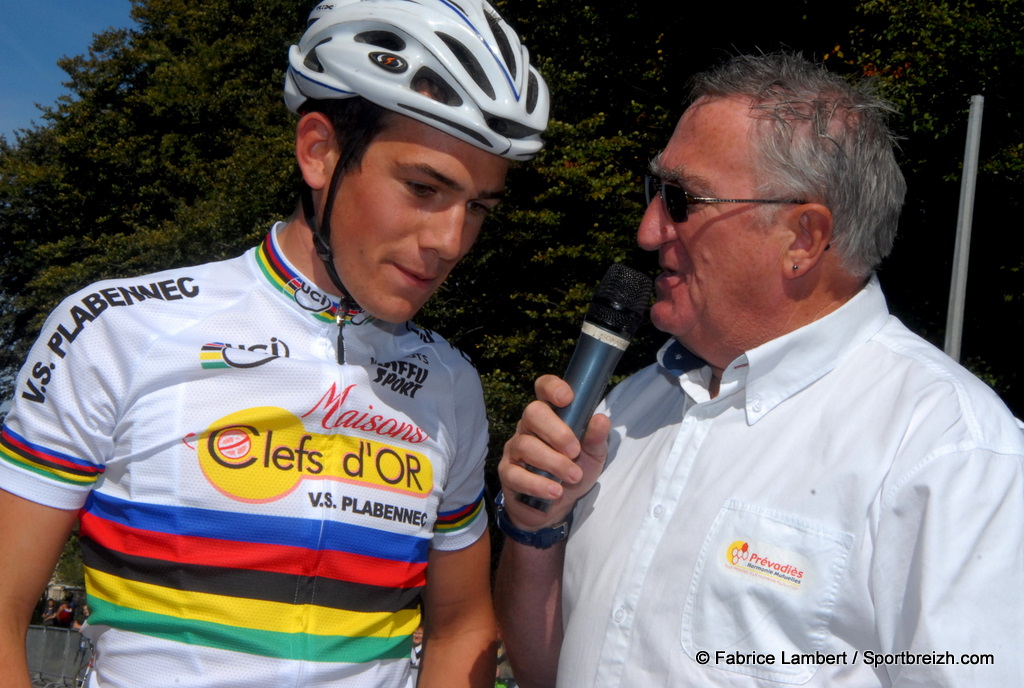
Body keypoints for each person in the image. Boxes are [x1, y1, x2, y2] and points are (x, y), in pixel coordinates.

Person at [0, 1, 548, 686]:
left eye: (480, 208)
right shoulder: (118, 328)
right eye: (423, 187)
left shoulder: (452, 385)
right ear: (319, 151)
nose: (450, 241)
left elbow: (463, 627)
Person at [494, 52, 1024, 687]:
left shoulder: (948, 450)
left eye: (681, 199)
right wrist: (534, 529)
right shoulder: (624, 412)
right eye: (653, 190)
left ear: (803, 237)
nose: (647, 229)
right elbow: (542, 670)